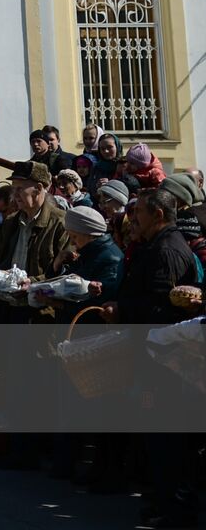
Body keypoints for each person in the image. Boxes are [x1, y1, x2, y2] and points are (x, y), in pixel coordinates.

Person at [108, 189, 200, 529]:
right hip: (153, 358)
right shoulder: (155, 246)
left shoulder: (168, 250)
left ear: (158, 215)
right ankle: (162, 499)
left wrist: (123, 309)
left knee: (169, 439)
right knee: (156, 437)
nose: (134, 220)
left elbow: (164, 310)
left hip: (166, 363)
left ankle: (176, 507)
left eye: (141, 213)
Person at [0, 161, 68, 285]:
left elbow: (64, 270)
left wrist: (33, 283)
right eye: (13, 189)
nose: (15, 195)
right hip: (8, 297)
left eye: (20, 189)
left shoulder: (60, 222)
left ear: (38, 189)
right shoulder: (11, 221)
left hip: (40, 298)